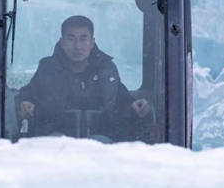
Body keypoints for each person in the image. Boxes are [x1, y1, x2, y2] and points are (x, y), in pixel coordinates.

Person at [16, 15, 151, 141]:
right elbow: (28, 96)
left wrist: (136, 108)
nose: (78, 46)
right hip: (56, 142)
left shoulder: (107, 69)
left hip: (102, 143)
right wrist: (26, 105)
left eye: (83, 39)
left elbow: (122, 103)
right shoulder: (48, 69)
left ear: (92, 42)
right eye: (71, 39)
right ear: (62, 42)